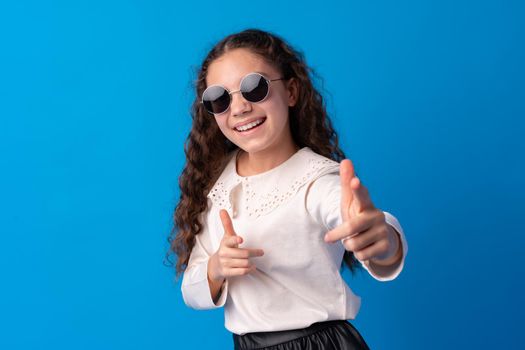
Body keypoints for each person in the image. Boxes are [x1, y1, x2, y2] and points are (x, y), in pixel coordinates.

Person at [169, 28, 408, 350]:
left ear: (291, 91)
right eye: (219, 98)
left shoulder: (316, 180)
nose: (238, 108)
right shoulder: (216, 187)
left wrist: (380, 237)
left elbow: (354, 217)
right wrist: (215, 269)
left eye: (254, 88)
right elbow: (191, 291)